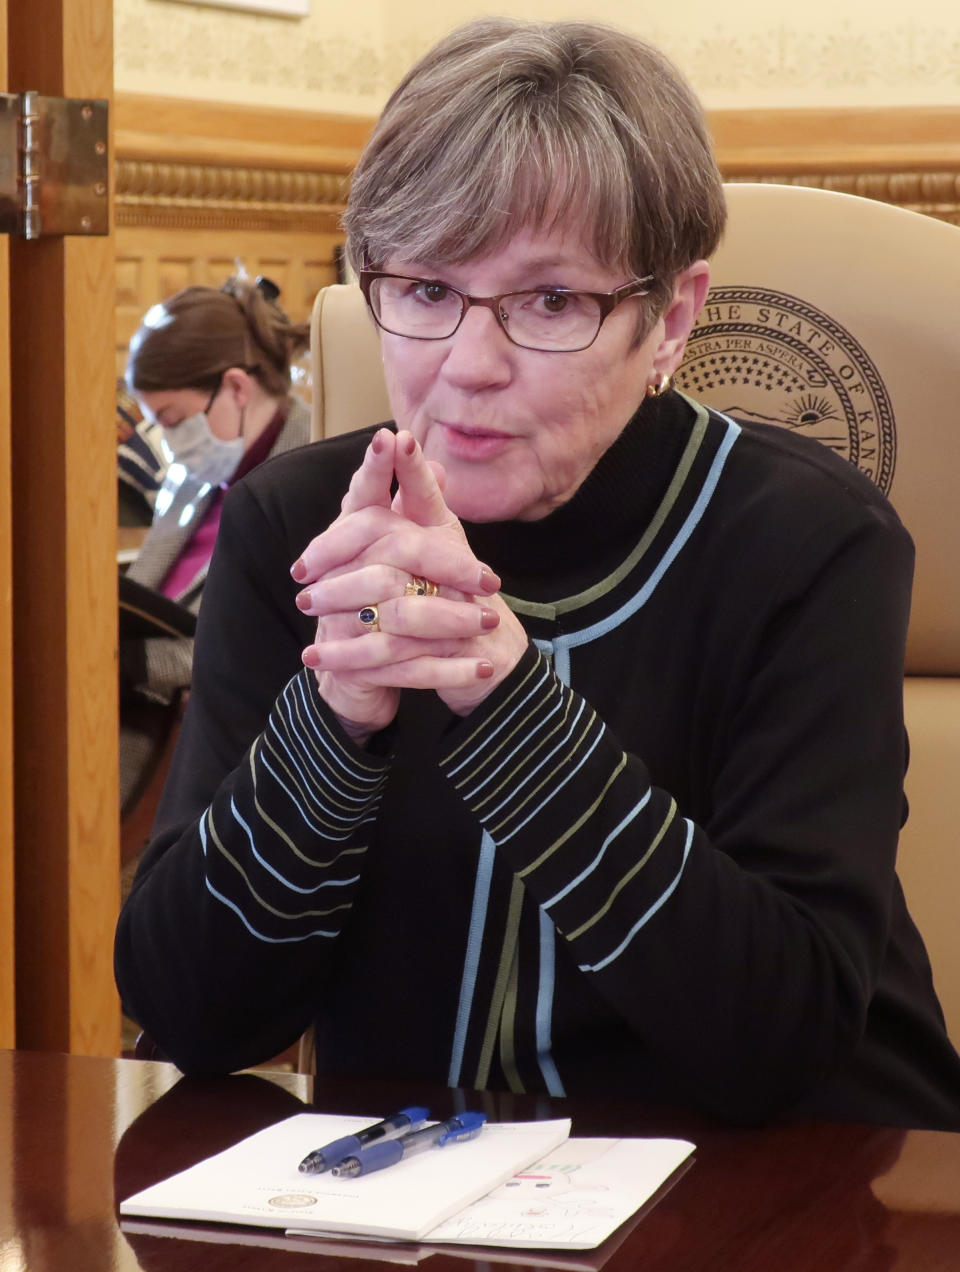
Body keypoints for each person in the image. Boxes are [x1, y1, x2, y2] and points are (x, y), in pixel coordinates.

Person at [115, 18, 960, 1128]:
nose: (468, 367)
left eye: (552, 301)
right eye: (423, 289)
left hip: (796, 1190)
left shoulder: (810, 542)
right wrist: (332, 731)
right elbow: (192, 1016)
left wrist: (510, 710)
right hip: (418, 1203)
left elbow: (783, 1041)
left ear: (672, 321)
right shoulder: (293, 527)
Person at [119, 276, 311, 816]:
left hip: (218, 750)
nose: (172, 445)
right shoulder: (195, 474)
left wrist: (126, 661)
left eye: (175, 422)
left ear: (236, 387)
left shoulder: (315, 480)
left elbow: (269, 652)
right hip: (135, 707)